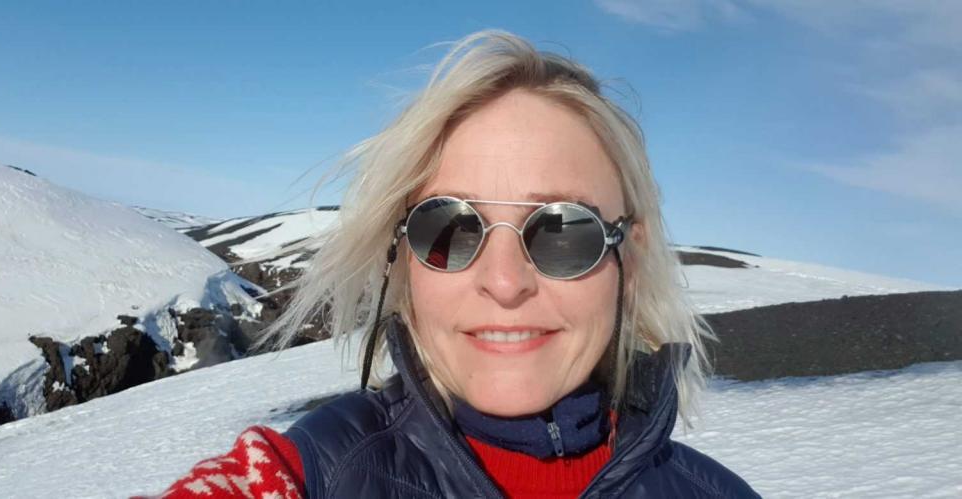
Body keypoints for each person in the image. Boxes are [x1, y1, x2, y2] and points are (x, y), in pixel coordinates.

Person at [145, 30, 759, 498]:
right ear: (402, 258)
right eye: (450, 228)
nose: (503, 282)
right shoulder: (311, 474)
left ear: (632, 252)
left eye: (564, 232)